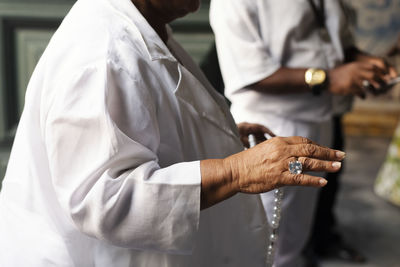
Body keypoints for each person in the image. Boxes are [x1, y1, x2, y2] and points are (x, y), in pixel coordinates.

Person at [0, 0, 345, 266]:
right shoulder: (101, 55)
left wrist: (209, 134)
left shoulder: (140, 25)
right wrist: (236, 170)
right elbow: (105, 200)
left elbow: (133, 125)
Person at [210, 0, 398, 266]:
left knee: (295, 230)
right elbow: (248, 73)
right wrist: (330, 78)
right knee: (263, 233)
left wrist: (365, 65)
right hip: (270, 128)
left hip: (321, 118)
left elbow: (336, 47)